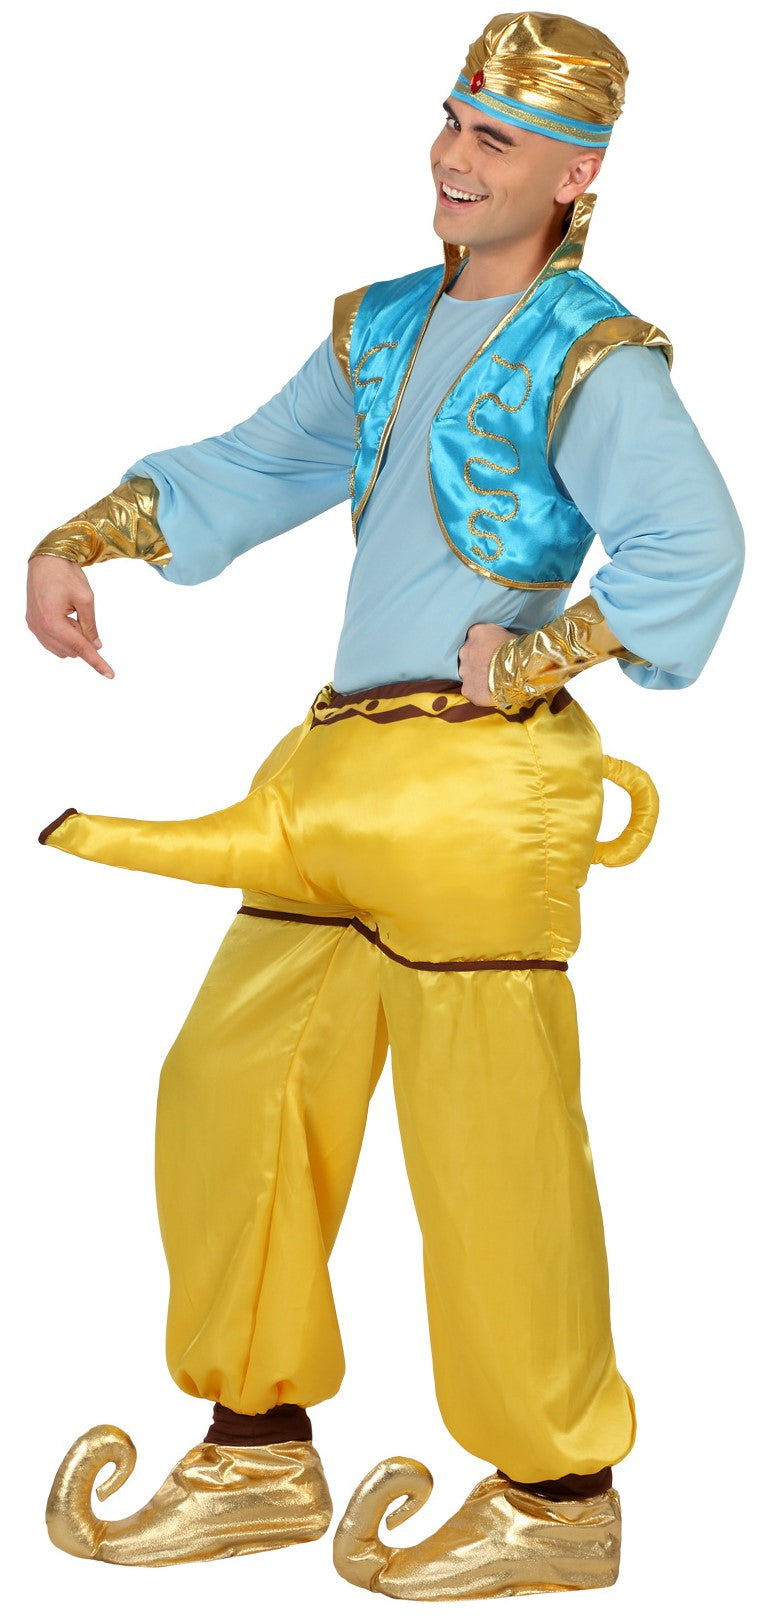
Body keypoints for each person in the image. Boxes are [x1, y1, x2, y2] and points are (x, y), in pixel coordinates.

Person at [27, 10, 743, 1600]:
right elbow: (255, 462)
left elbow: (693, 546)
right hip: (336, 776)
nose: (452, 156)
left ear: (574, 175)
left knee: (487, 1135)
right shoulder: (382, 326)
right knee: (230, 1086)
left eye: (496, 138)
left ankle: (556, 1489)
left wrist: (542, 651)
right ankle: (254, 1449)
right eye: (451, 121)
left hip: (477, 791)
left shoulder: (592, 353)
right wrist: (87, 536)